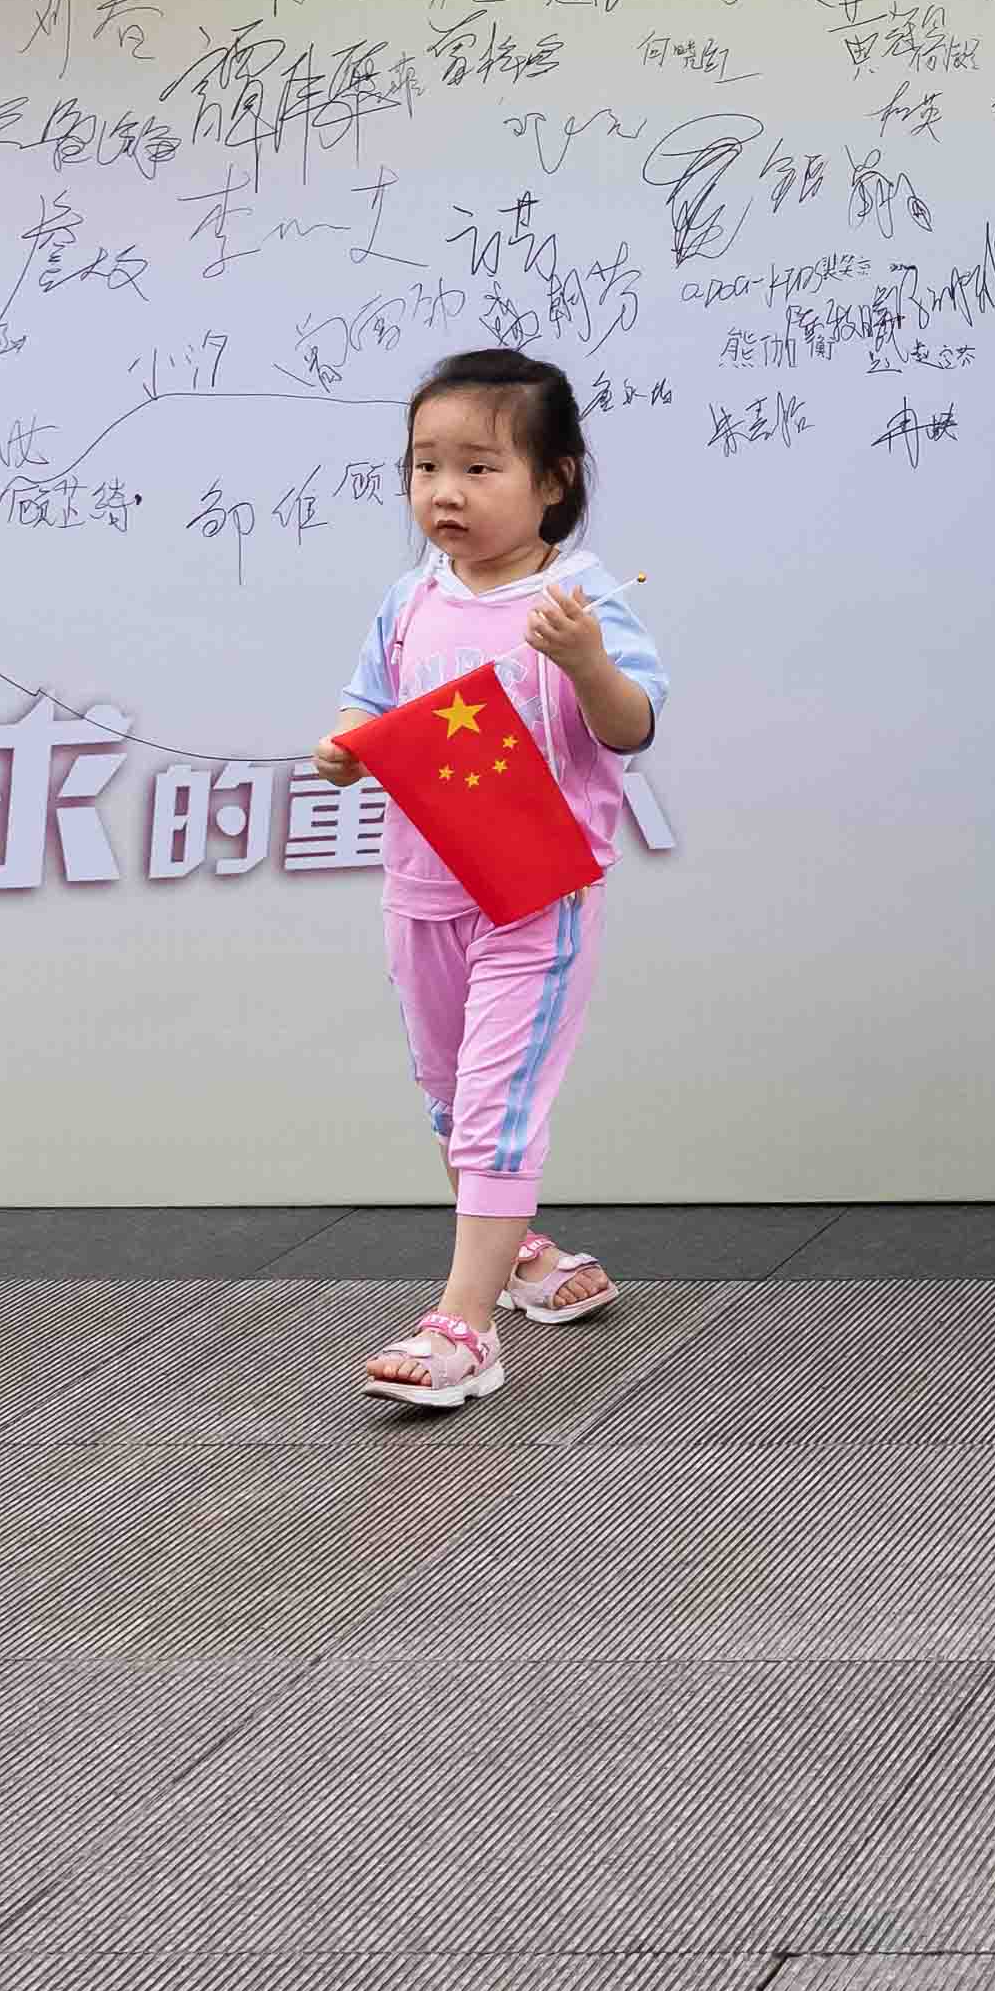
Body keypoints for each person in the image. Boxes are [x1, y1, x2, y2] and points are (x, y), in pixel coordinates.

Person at [325, 349, 663, 1411]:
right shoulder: (409, 598)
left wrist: (586, 661)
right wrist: (346, 744)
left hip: (535, 894)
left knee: (496, 1103)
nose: (445, 492)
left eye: (478, 467)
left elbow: (632, 726)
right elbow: (367, 699)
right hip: (423, 889)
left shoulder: (581, 597)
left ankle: (462, 1326)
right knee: (448, 1094)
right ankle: (520, 1257)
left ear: (553, 479)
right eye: (425, 466)